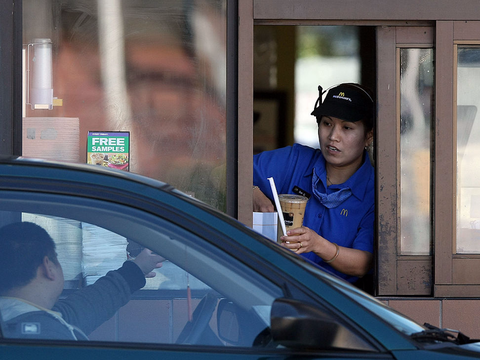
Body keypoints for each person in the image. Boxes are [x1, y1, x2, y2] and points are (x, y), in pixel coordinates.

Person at [253, 83, 375, 284]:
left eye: (347, 127)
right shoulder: (295, 160)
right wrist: (251, 191)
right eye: (327, 123)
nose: (333, 136)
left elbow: (363, 263)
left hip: (333, 302)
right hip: (274, 287)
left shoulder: (376, 192)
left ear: (368, 136)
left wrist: (317, 244)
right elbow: (223, 170)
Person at [0, 221, 164, 340]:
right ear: (48, 267)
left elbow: (83, 308)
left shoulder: (18, 319)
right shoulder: (46, 338)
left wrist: (136, 270)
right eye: (57, 259)